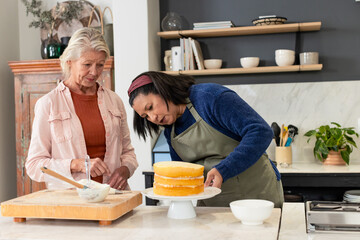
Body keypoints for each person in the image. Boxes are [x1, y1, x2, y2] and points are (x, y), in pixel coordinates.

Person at [128, 71, 284, 207]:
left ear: (162, 90)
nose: (152, 117)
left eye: (150, 107)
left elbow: (261, 131)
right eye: (145, 116)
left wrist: (224, 169)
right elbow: (185, 175)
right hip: (213, 205)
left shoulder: (209, 98)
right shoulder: (171, 132)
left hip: (257, 196)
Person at [26, 27, 138, 190]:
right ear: (69, 61)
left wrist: (126, 170)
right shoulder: (48, 104)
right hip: (71, 203)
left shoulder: (114, 101)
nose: (94, 72)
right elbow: (34, 166)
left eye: (100, 65)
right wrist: (76, 165)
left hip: (113, 198)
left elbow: (128, 152)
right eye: (87, 64)